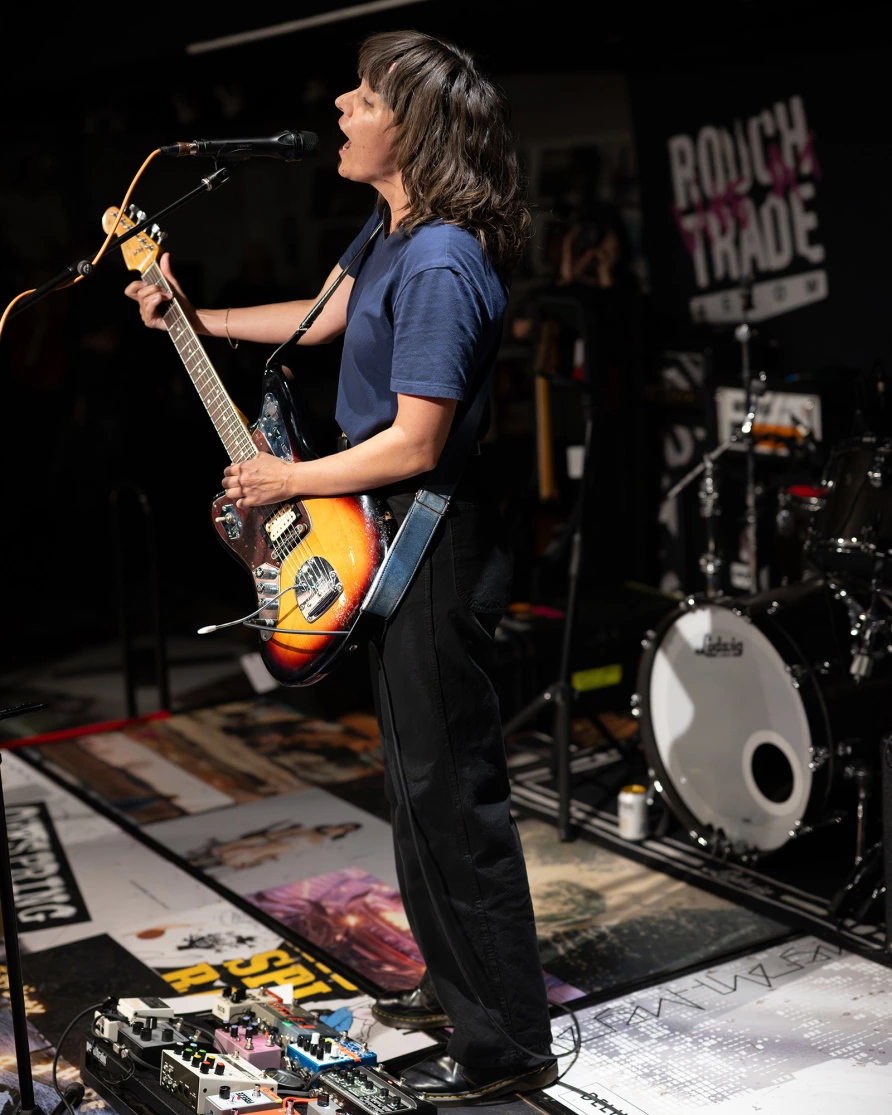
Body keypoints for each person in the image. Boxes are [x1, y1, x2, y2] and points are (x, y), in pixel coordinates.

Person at [125, 29, 556, 1105]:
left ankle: (505, 1038)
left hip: (433, 540)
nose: (340, 103)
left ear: (408, 127)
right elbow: (322, 323)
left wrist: (288, 479)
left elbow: (416, 442)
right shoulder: (388, 228)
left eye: (363, 96)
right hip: (387, 528)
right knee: (414, 788)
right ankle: (455, 982)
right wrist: (196, 316)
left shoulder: (447, 255)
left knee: (452, 792)